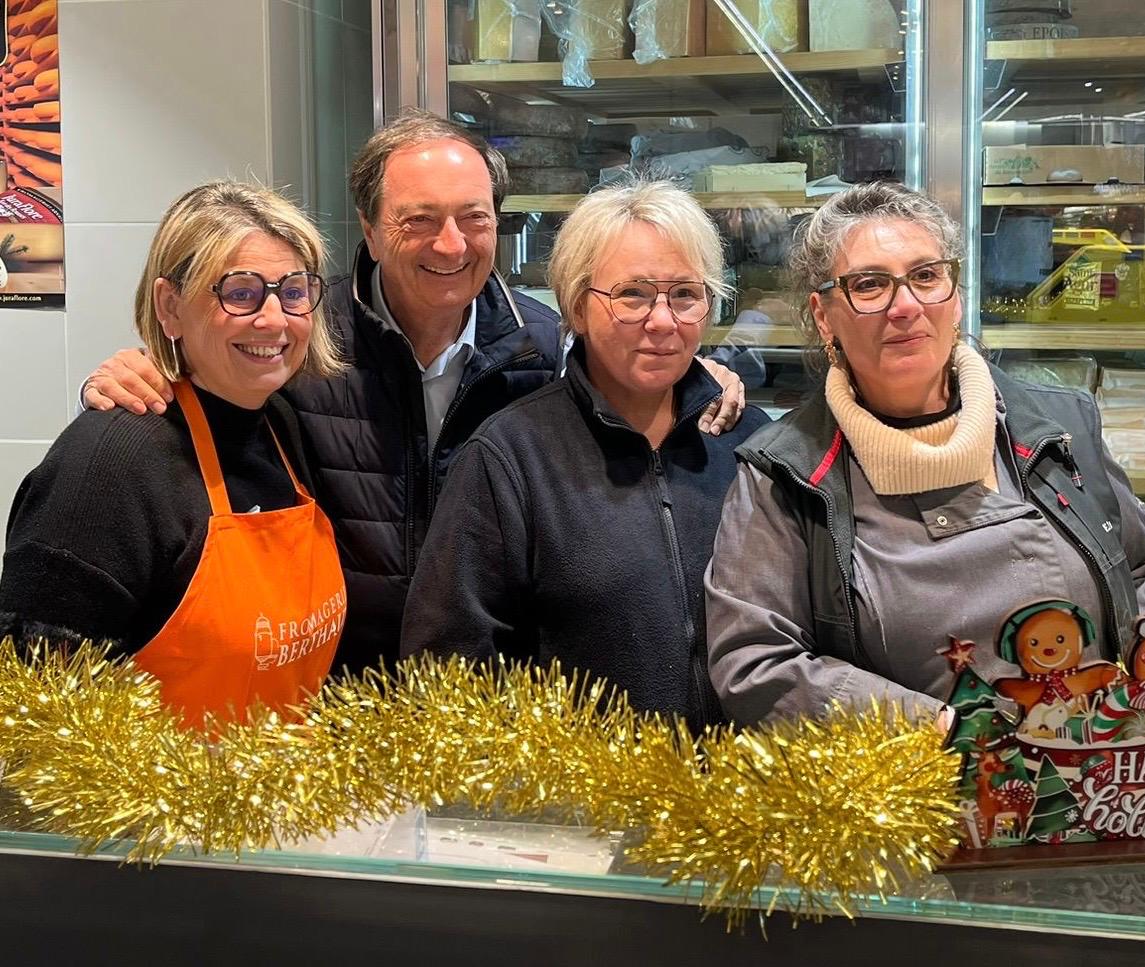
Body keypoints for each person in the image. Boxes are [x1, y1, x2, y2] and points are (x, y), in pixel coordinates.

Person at [79, 110, 746, 676]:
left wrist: (702, 381)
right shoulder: (300, 341)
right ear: (368, 229)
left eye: (472, 217)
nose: (450, 244)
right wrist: (134, 377)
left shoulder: (541, 350)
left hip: (484, 708)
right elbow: (215, 395)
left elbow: (643, 367)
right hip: (331, 703)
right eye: (419, 219)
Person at [703, 182, 1145, 729]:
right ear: (824, 315)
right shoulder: (783, 474)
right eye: (869, 285)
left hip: (1096, 781)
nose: (905, 306)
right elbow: (755, 662)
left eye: (926, 276)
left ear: (955, 296)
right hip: (910, 798)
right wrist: (948, 734)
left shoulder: (1061, 427)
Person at [400, 180, 769, 731]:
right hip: (582, 806)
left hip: (747, 799)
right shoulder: (512, 458)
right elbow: (450, 669)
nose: (663, 321)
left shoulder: (749, 446)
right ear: (576, 305)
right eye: (633, 295)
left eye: (686, 295)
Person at [0, 182, 347, 729]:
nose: (275, 319)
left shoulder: (280, 425)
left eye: (294, 291)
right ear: (170, 306)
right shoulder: (109, 464)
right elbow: (33, 713)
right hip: (148, 812)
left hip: (277, 798)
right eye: (241, 292)